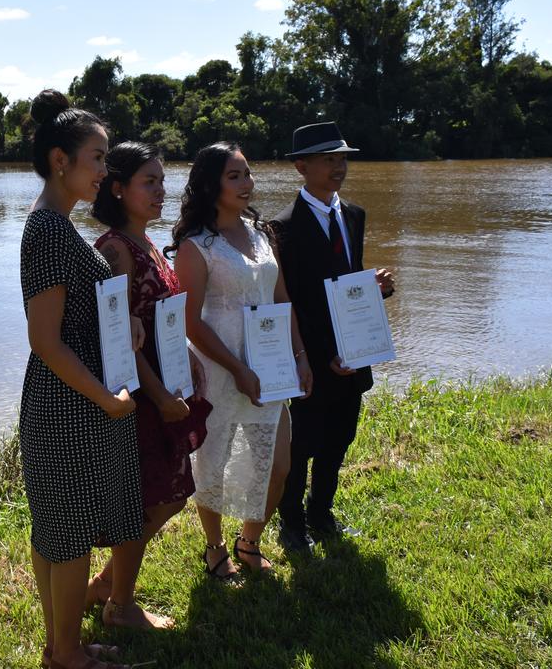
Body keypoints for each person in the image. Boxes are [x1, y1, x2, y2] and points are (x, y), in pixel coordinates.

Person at [19, 89, 144, 669]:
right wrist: (107, 397)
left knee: (57, 535)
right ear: (60, 160)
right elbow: (44, 341)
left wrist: (126, 338)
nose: (104, 170)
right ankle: (66, 654)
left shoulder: (58, 227)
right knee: (65, 539)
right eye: (97, 157)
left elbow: (75, 321)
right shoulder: (47, 230)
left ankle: (59, 645)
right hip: (66, 405)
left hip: (75, 401)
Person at [168, 142, 312, 581]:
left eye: (248, 173)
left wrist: (301, 356)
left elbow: (282, 298)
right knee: (212, 462)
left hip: (271, 367)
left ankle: (249, 542)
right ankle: (214, 549)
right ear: (211, 184)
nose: (246, 183)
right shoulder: (197, 246)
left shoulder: (262, 233)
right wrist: (237, 369)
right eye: (235, 176)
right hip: (219, 367)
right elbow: (191, 323)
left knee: (278, 465)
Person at [87, 141, 212, 628]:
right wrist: (158, 396)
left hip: (166, 387)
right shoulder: (115, 249)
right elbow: (120, 338)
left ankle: (105, 586)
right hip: (138, 397)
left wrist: (188, 360)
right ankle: (119, 604)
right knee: (152, 497)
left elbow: (163, 320)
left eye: (163, 180)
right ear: (118, 189)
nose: (161, 191)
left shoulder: (147, 245)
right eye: (149, 182)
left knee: (172, 492)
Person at [272, 121, 395, 553]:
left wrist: (376, 286)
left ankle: (321, 513)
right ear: (301, 167)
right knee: (302, 442)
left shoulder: (355, 215)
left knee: (341, 437)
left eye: (342, 157)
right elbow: (291, 302)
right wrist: (315, 355)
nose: (338, 166)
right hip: (312, 355)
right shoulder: (281, 227)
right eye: (328, 159)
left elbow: (345, 284)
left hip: (353, 353)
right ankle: (291, 523)